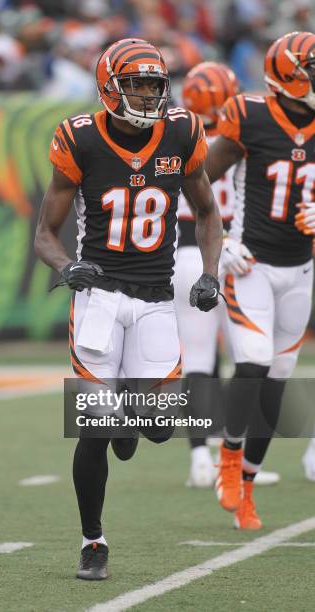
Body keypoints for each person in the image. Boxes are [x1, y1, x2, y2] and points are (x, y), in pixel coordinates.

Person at [34, 38, 223, 580]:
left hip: (156, 297)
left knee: (158, 427)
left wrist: (210, 274)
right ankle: (93, 542)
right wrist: (66, 267)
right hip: (99, 297)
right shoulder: (80, 138)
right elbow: (45, 231)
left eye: (154, 85)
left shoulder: (183, 131)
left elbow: (207, 213)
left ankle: (129, 425)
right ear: (109, 87)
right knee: (93, 428)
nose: (146, 95)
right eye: (135, 85)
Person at [206, 31, 315, 529]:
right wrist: (221, 240)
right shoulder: (247, 115)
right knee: (253, 363)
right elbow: (196, 180)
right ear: (289, 73)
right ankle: (228, 456)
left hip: (301, 271)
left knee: (277, 382)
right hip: (252, 265)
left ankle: (247, 487)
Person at [174, 61, 240, 488]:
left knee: (197, 360)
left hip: (181, 254)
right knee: (252, 360)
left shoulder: (176, 136)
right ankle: (237, 461)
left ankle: (200, 455)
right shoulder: (241, 137)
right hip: (230, 250)